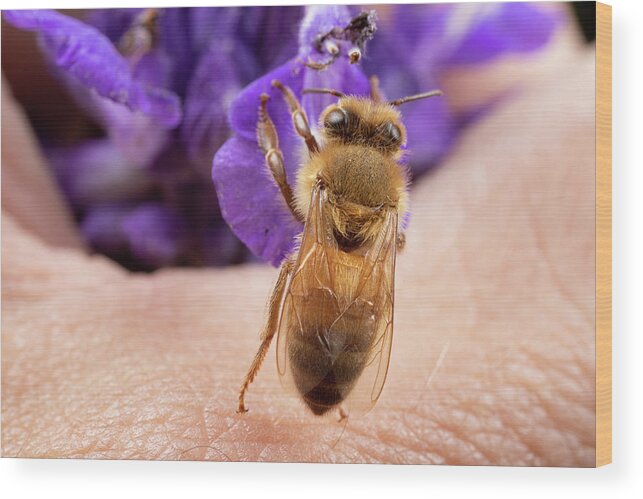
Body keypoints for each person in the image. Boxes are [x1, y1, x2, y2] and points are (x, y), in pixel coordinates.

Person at [1, 25, 596, 465]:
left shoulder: (320, 177)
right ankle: (317, 384)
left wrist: (279, 111)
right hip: (359, 301)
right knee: (324, 278)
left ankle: (266, 363)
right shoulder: (388, 200)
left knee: (294, 265)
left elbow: (283, 183)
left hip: (296, 271)